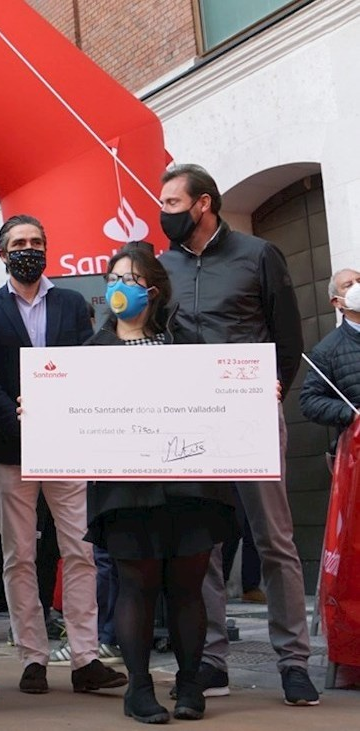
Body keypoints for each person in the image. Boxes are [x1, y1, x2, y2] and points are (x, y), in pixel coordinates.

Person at [158, 163, 319, 706]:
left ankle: (294, 661)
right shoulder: (164, 267)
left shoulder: (258, 255)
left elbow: (288, 335)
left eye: (173, 205)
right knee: (204, 543)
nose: (165, 214)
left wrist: (272, 388)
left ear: (203, 204)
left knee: (274, 540)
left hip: (250, 417)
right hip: (193, 423)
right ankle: (211, 659)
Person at [0, 214, 126, 695]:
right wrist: (15, 415)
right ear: (3, 252)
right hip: (8, 446)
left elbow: (84, 364)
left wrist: (58, 411)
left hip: (66, 444)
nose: (29, 249)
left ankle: (85, 657)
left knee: (80, 548)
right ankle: (32, 656)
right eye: (19, 243)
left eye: (36, 241)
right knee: (19, 554)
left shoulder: (73, 304)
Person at [81, 242, 238, 723]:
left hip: (189, 485)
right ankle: (140, 689)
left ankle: (190, 688)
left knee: (189, 587)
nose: (117, 287)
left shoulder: (186, 340)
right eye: (111, 279)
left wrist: (252, 389)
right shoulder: (90, 353)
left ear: (152, 287)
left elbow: (223, 389)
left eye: (128, 278)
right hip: (126, 492)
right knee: (136, 587)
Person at [300, 268, 360, 461]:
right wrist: (351, 414)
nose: (357, 287)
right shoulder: (326, 351)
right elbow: (309, 401)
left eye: (359, 280)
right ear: (336, 302)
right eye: (348, 285)